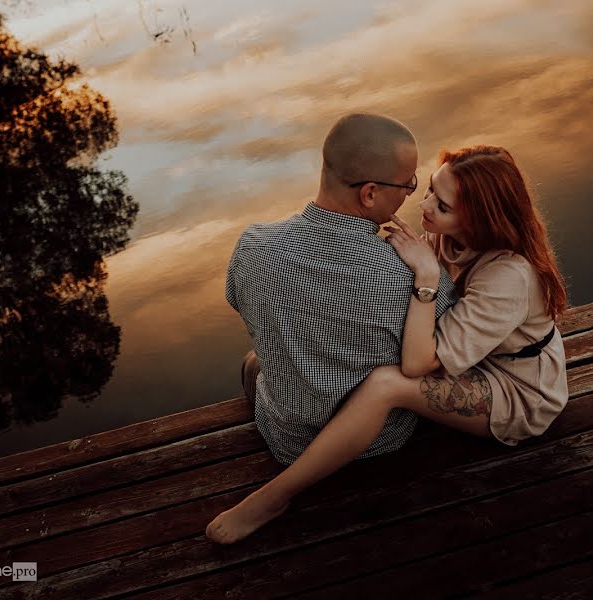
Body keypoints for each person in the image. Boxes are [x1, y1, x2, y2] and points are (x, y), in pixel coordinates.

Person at [206, 144, 569, 544]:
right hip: (466, 361)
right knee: (259, 357)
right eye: (429, 189)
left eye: (442, 206)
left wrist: (427, 276)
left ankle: (274, 496)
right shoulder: (451, 237)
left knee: (385, 383)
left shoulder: (509, 277)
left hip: (514, 390)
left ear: (481, 217)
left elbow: (416, 364)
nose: (426, 206)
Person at [212, 112, 459, 531]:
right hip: (382, 441)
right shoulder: (407, 275)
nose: (412, 196)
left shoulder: (251, 247)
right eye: (409, 185)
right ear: (369, 194)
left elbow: (239, 302)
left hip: (286, 440)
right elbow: (440, 351)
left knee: (254, 359)